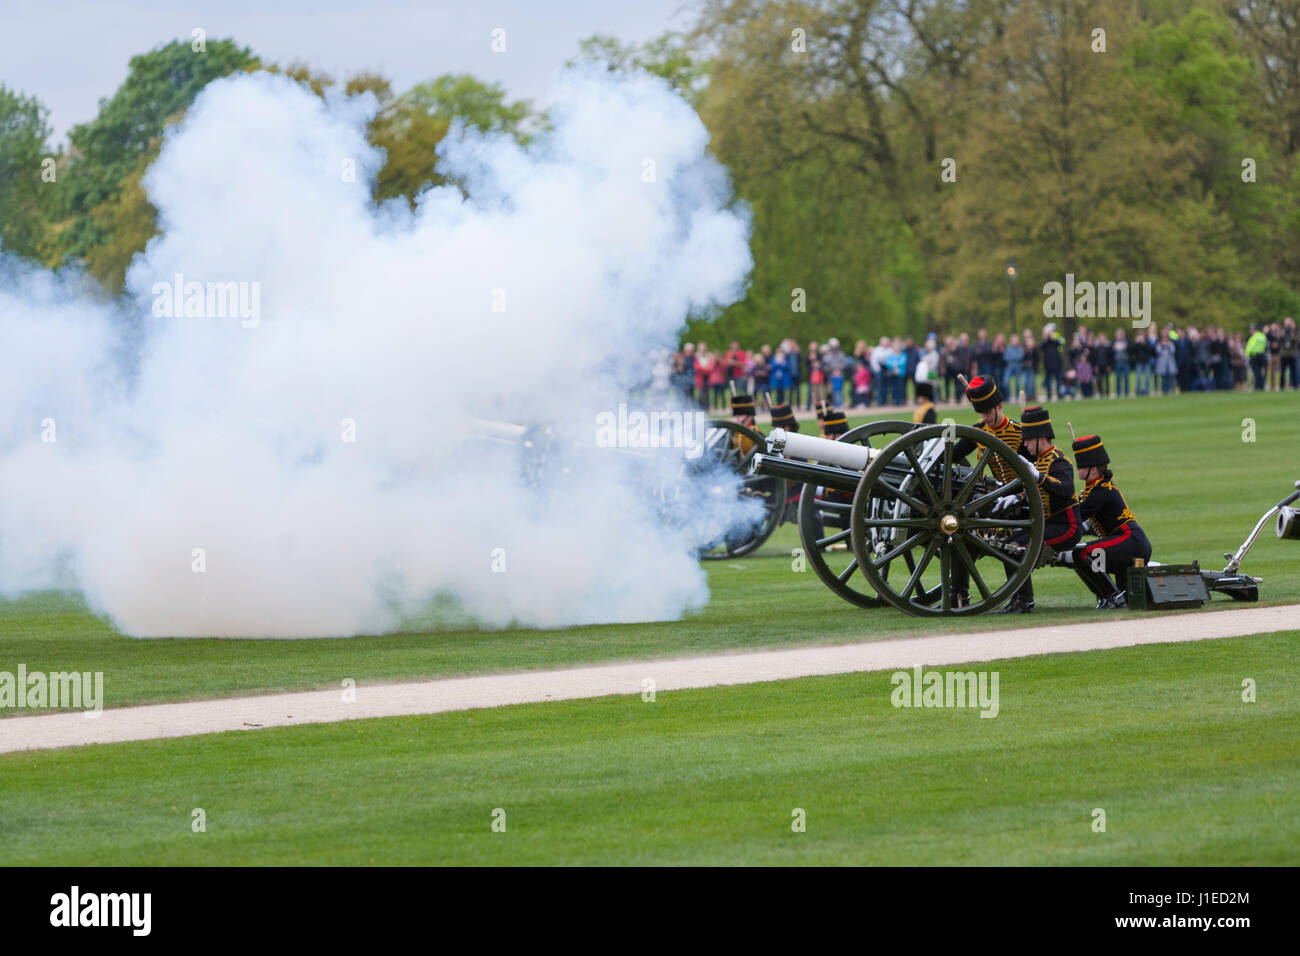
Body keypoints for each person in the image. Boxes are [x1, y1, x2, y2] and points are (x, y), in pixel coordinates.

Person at [993, 405, 1084, 613]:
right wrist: (1012, 499)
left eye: (1027, 440)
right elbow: (1035, 495)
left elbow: (1066, 489)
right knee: (1007, 545)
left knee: (1014, 548)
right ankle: (1019, 600)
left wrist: (1038, 477)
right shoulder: (1040, 462)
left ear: (1040, 438)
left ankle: (1024, 602)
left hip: (1066, 527)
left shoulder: (1058, 460)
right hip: (1049, 523)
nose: (1025, 444)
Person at [948, 377, 1025, 609]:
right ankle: (959, 597)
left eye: (987, 412)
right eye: (980, 412)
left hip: (1020, 500)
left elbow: (1034, 471)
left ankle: (1023, 599)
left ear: (999, 406)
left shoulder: (1019, 433)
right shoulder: (979, 430)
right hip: (990, 499)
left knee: (1011, 543)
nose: (984, 417)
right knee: (958, 538)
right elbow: (954, 453)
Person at [1058, 434, 1152, 608]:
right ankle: (1110, 596)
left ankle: (1111, 596)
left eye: (1082, 466)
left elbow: (1075, 518)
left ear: (1093, 470)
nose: (1078, 469)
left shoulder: (1101, 491)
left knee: (1083, 554)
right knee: (1131, 602)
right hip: (1127, 543)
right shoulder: (1095, 489)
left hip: (1131, 542)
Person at [1041, 323, 1063, 399]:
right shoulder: (1046, 340)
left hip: (1057, 363)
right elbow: (1042, 346)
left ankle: (1060, 395)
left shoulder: (1057, 338)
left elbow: (1061, 345)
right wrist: (1046, 338)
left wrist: (1054, 339)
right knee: (1048, 381)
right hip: (1048, 364)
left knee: (1059, 380)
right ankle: (1049, 395)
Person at [1246, 324, 1269, 391]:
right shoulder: (1263, 336)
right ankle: (1261, 386)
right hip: (1261, 355)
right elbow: (1265, 346)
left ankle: (1257, 386)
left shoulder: (1254, 337)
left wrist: (1247, 355)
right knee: (1260, 372)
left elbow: (1250, 347)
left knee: (1256, 372)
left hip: (1254, 356)